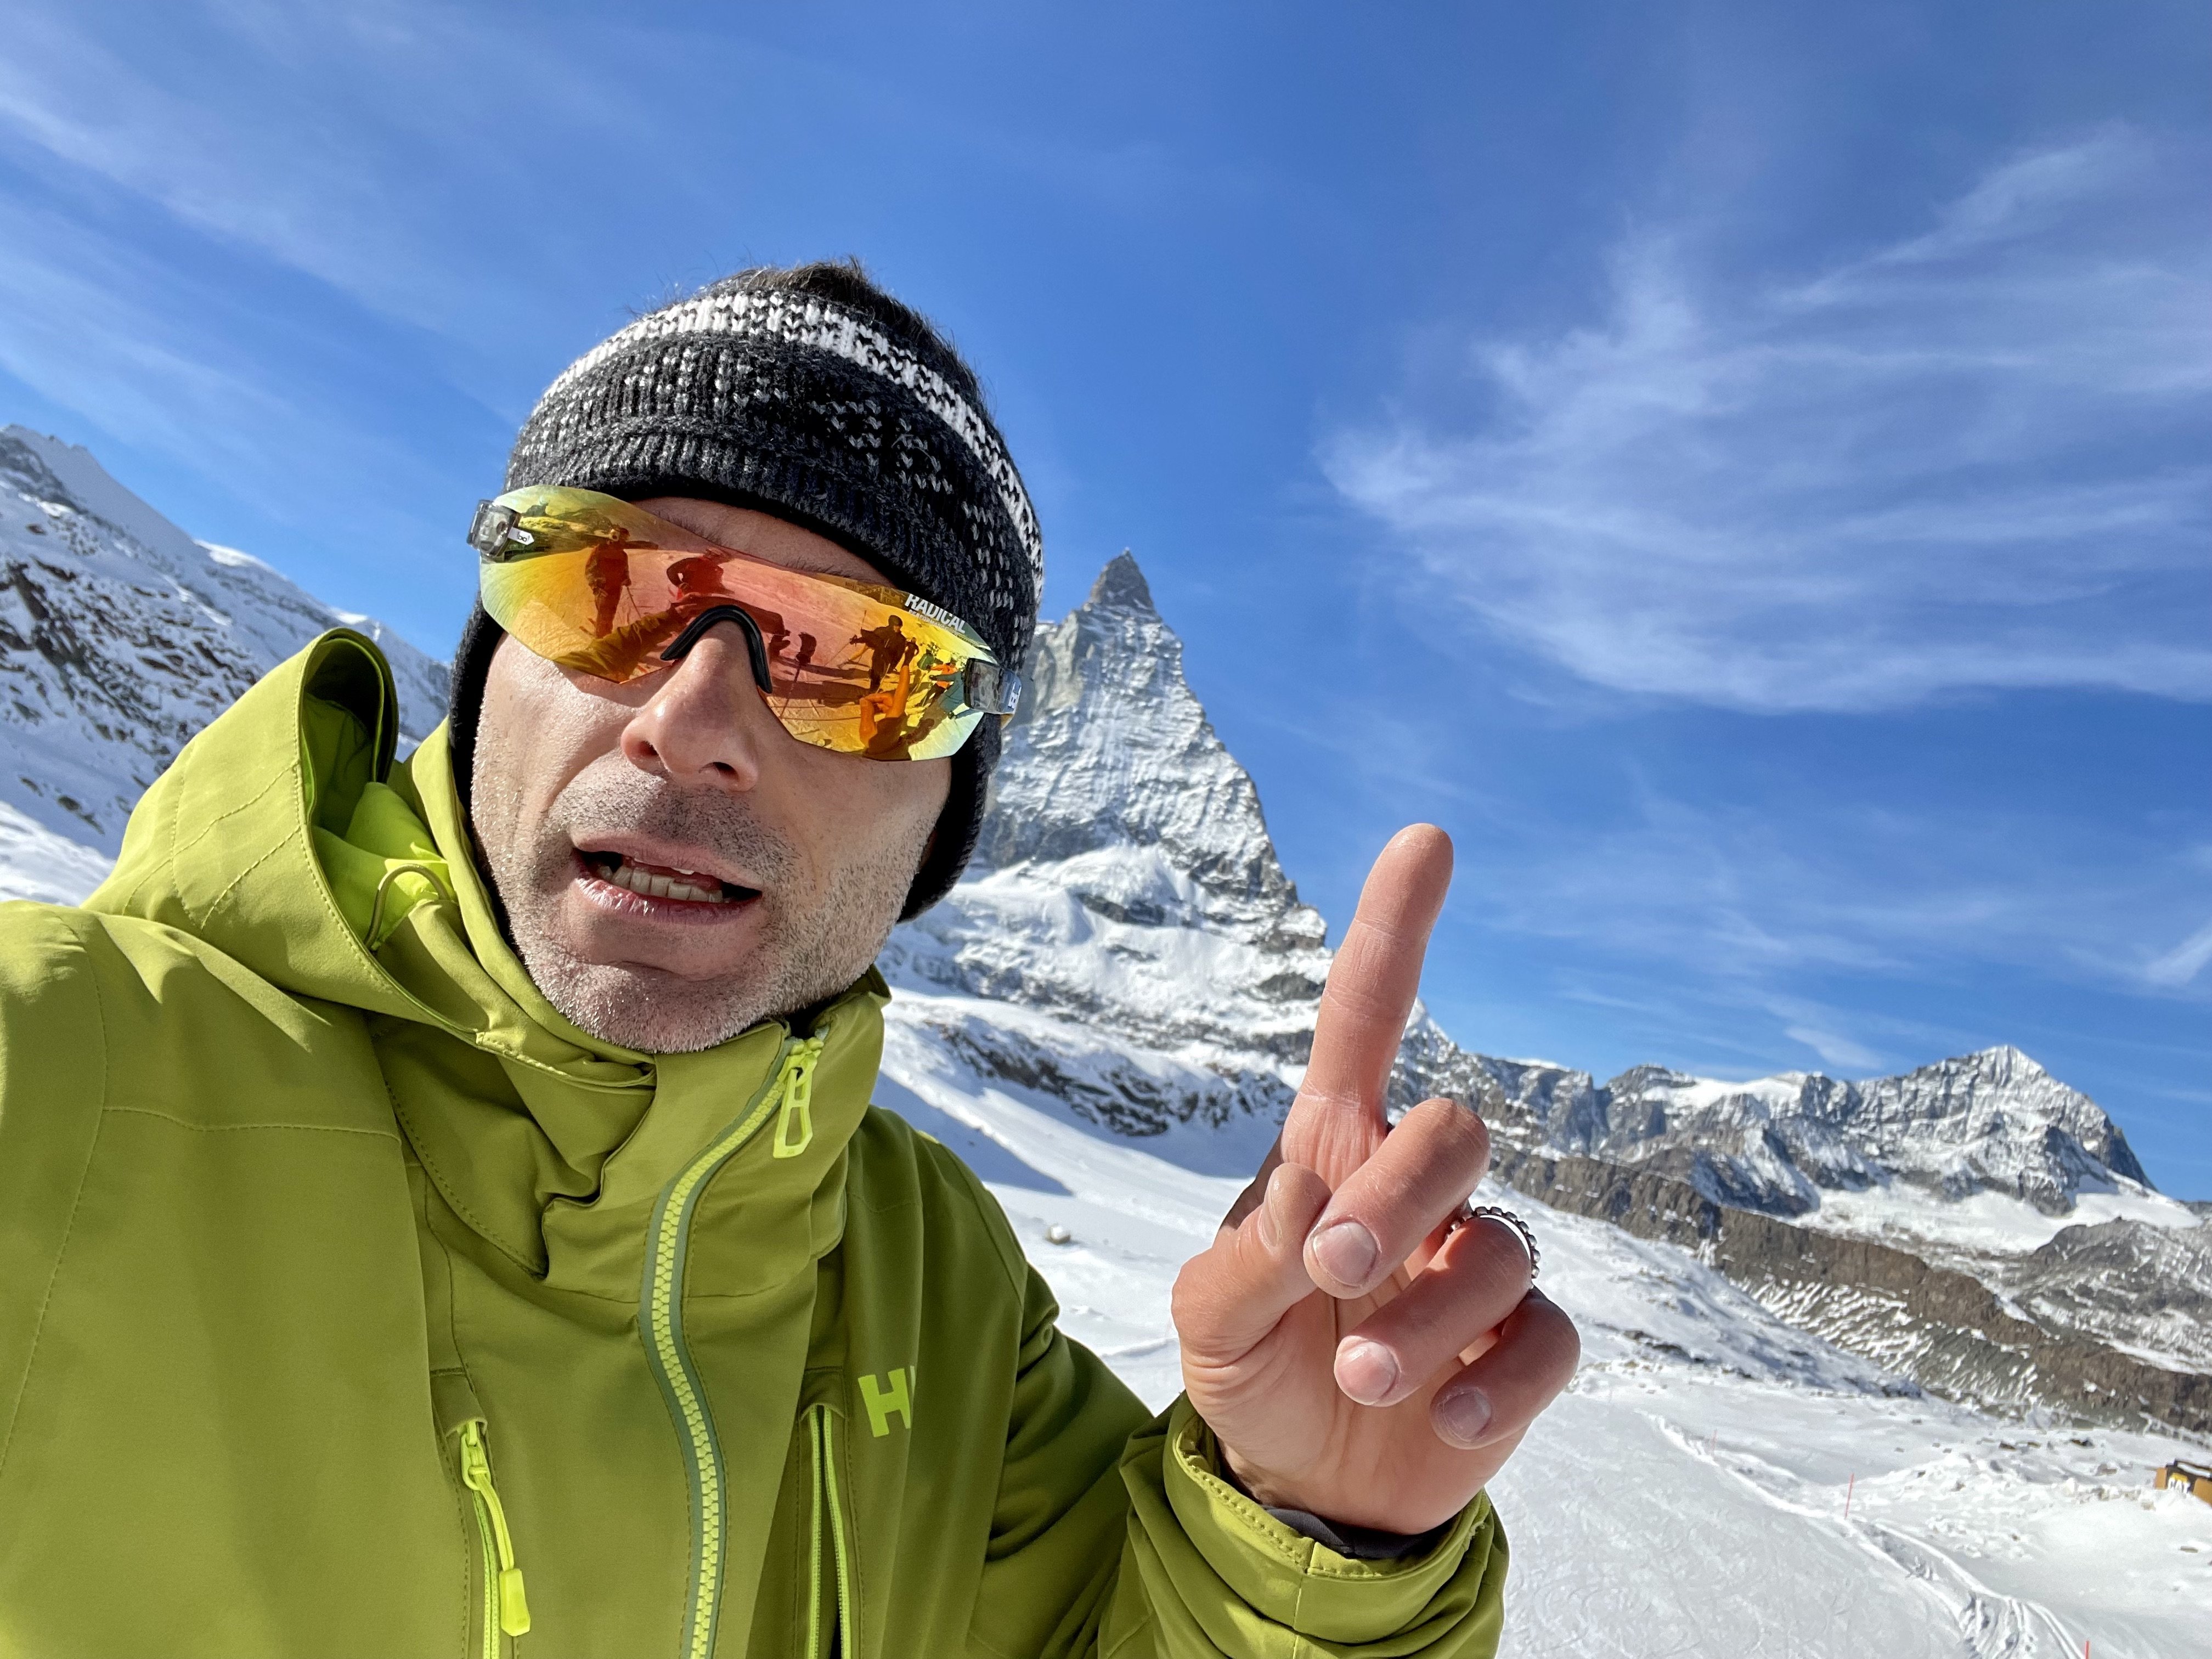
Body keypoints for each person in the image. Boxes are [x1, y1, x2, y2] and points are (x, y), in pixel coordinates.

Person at [0, 261, 1578, 1657]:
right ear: (490, 669)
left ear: (943, 820)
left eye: (851, 665)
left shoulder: (939, 1297)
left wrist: (1310, 1551)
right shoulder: (46, 1079)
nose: (693, 721)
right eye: (608, 587)